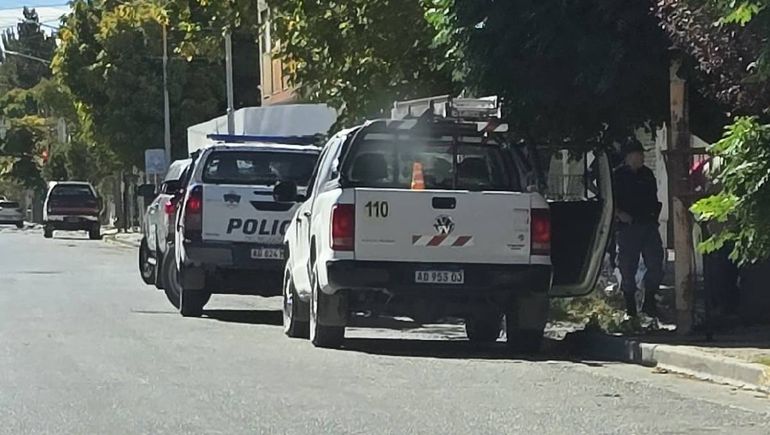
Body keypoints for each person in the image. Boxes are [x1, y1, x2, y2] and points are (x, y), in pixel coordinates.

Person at [614, 138, 664, 317]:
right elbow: (611, 203)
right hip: (628, 227)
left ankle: (649, 302)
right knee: (628, 267)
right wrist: (620, 214)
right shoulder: (618, 176)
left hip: (648, 225)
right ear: (628, 156)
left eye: (641, 154)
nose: (641, 157)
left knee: (656, 263)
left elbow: (653, 198)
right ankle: (630, 309)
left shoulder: (647, 175)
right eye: (637, 154)